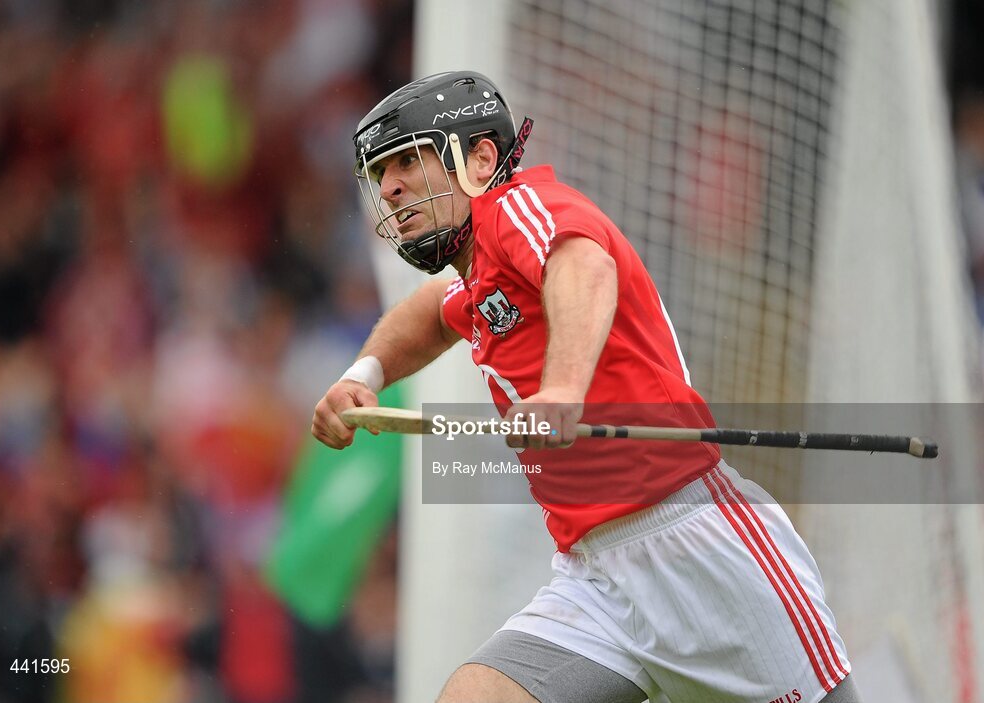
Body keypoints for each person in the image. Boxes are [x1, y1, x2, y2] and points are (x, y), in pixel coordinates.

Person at [311, 71, 860, 703]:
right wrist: (364, 375)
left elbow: (584, 264)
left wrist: (563, 389)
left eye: (408, 159)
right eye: (381, 173)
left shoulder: (518, 208)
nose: (390, 186)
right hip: (594, 577)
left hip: (699, 547)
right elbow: (436, 309)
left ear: (482, 159)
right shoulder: (482, 277)